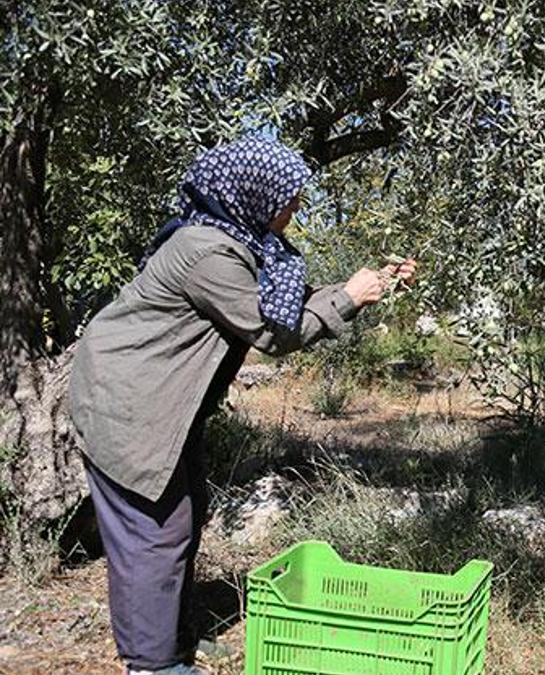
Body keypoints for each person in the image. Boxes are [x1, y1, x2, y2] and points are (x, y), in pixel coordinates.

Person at [68, 137, 416, 675]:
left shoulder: (237, 238)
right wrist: (349, 298)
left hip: (160, 405)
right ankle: (152, 665)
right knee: (152, 535)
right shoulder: (210, 254)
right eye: (289, 197)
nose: (296, 208)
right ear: (254, 193)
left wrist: (364, 286)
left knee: (182, 517)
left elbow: (280, 299)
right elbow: (273, 332)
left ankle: (173, 640)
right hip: (128, 405)